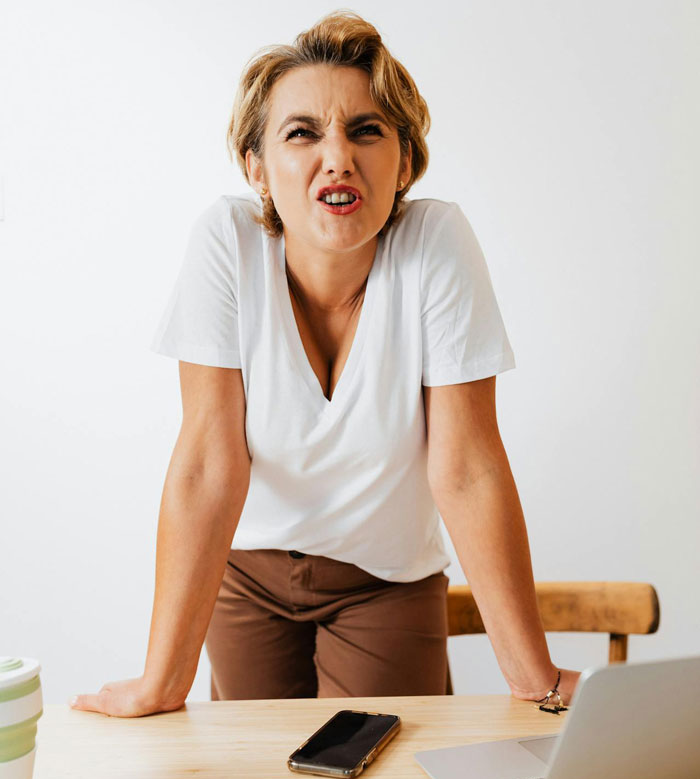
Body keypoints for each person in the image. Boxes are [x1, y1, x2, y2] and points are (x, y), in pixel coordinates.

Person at [70, 10, 581, 717]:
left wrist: (538, 680)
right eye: (302, 133)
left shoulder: (436, 243)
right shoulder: (227, 242)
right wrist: (163, 681)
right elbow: (208, 462)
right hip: (243, 576)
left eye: (366, 131)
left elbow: (465, 467)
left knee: (378, 775)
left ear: (404, 162)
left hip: (387, 581)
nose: (337, 156)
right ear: (257, 165)